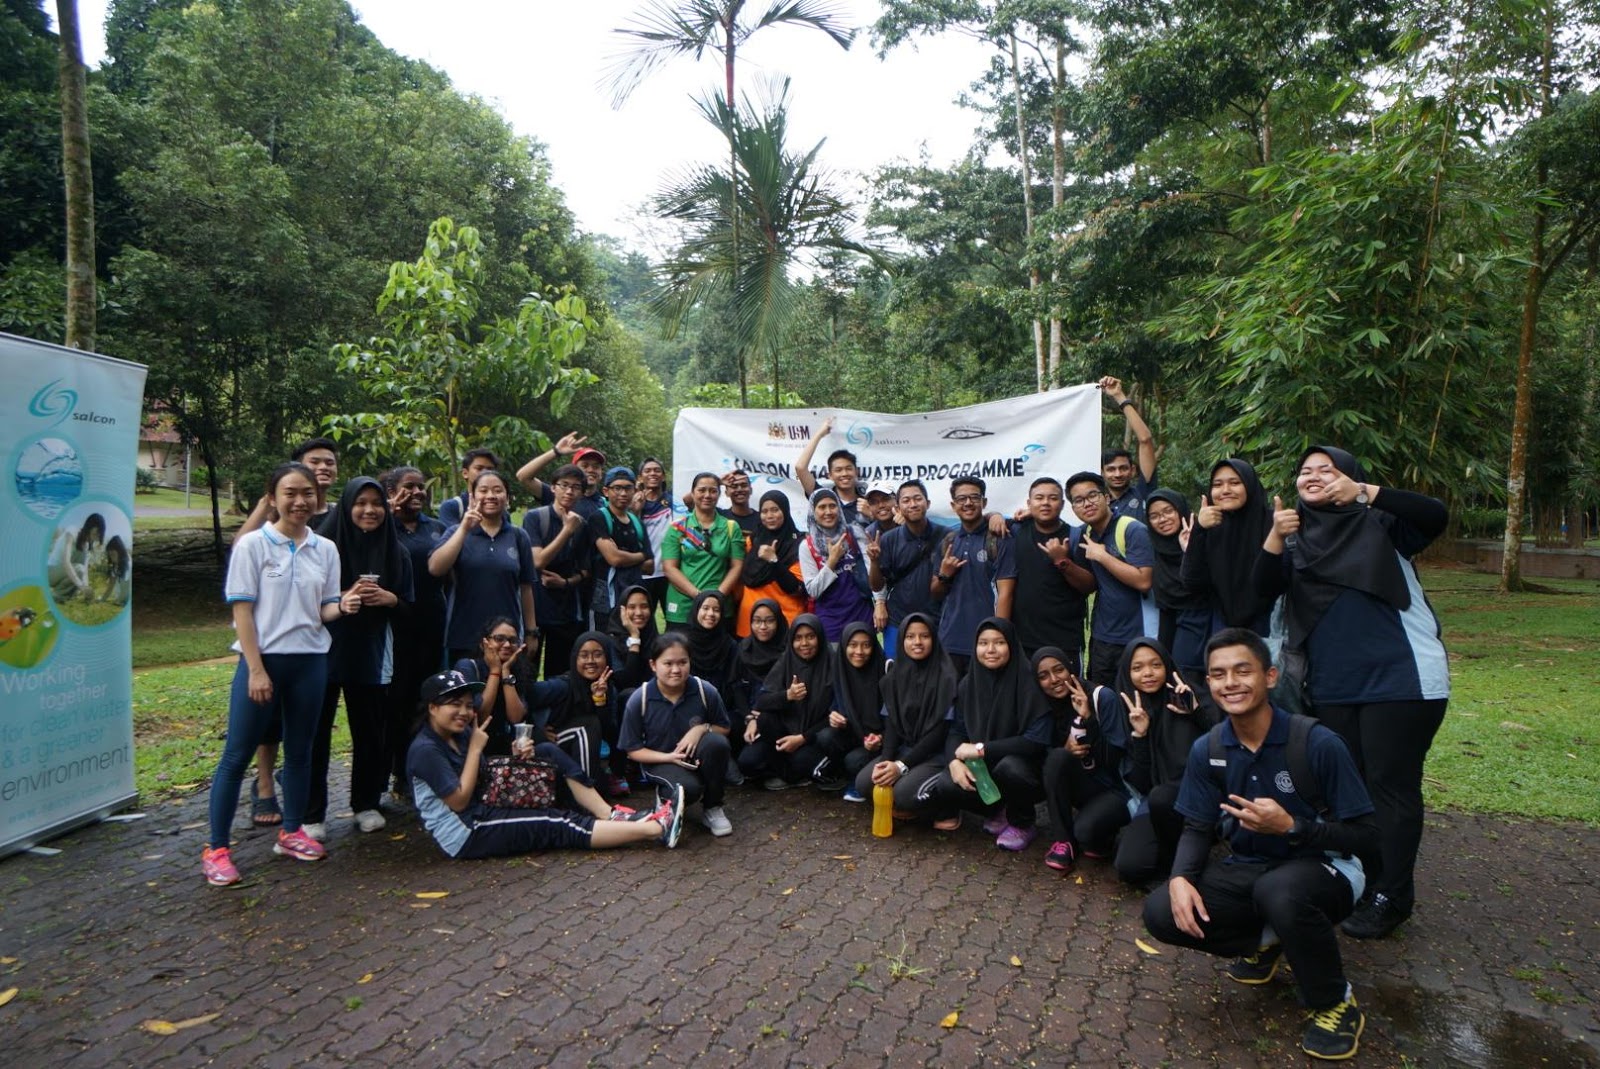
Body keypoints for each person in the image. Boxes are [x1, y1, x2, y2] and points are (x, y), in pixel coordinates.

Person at [1141, 629, 1378, 1061]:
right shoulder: (1208, 748)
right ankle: (1270, 940)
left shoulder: (1317, 743)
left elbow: (1366, 837)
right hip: (1252, 866)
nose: (1230, 682)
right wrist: (1179, 879)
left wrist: (1293, 826)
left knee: (1281, 892)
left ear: (1270, 676)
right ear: (1208, 684)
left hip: (1330, 868)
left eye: (1242, 670)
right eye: (1218, 674)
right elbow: (1196, 827)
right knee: (1161, 912)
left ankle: (1333, 1002)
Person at [1257, 445, 1450, 940]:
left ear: (1352, 478)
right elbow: (1254, 595)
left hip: (1402, 678)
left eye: (1329, 469)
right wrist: (1275, 537)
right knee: (1353, 790)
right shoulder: (1296, 537)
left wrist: (1368, 494)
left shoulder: (1384, 525)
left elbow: (1436, 514)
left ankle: (1394, 894)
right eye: (1305, 471)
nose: (1315, 476)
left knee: (1391, 785)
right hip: (1332, 685)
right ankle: (1365, 880)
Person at [202, 462, 360, 887]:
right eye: (290, 493)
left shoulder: (324, 548)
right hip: (263, 662)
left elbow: (323, 610)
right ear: (272, 498)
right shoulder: (253, 545)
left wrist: (342, 606)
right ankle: (216, 848)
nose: (300, 501)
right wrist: (255, 670)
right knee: (236, 756)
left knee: (302, 752)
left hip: (309, 662)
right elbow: (242, 613)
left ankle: (291, 832)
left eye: (307, 493)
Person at [408, 669, 681, 859]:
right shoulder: (425, 750)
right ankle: (656, 829)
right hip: (465, 832)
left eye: (469, 705)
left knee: (547, 751)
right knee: (556, 823)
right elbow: (457, 801)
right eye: (454, 705)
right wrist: (476, 749)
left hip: (483, 806)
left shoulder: (462, 732)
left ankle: (611, 815)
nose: (465, 712)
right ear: (433, 707)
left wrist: (516, 753)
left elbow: (482, 772)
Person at [234, 437, 338, 825]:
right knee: (261, 729)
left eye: (330, 463)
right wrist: (268, 504)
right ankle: (262, 788)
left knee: (303, 738)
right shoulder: (267, 526)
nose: (324, 467)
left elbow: (329, 594)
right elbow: (242, 553)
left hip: (313, 646)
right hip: (266, 647)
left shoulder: (334, 521)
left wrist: (345, 603)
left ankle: (296, 822)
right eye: (315, 462)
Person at [306, 477, 415, 838]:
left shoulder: (395, 551)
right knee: (316, 733)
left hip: (371, 652)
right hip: (323, 650)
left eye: (377, 503)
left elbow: (411, 607)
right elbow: (304, 600)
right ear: (347, 505)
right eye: (361, 503)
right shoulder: (323, 548)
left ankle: (365, 802)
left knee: (369, 731)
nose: (369, 510)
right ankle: (311, 813)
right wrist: (342, 599)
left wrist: (390, 600)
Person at [924, 618, 1051, 848]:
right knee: (947, 783)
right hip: (987, 768)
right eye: (983, 643)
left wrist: (982, 749)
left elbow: (1037, 740)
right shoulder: (968, 684)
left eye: (999, 642)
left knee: (1010, 768)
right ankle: (998, 809)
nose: (990, 650)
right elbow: (957, 730)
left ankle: (1023, 823)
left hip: (1028, 769)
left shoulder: (1028, 682)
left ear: (1011, 645)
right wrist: (953, 760)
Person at [1112, 638, 1214, 885]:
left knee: (1162, 797)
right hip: (1158, 800)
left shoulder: (1188, 696)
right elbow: (1142, 783)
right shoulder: (1129, 710)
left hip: (1199, 795)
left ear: (1167, 666)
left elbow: (1226, 743)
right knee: (1129, 867)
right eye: (1137, 668)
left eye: (1156, 665)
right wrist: (1141, 736)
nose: (1148, 673)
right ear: (1127, 672)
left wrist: (1196, 712)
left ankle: (1179, 866)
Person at [619, 633, 735, 838]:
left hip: (695, 758)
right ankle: (664, 798)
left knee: (717, 744)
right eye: (668, 663)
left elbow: (724, 728)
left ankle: (713, 807)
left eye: (682, 662)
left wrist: (700, 729)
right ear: (653, 665)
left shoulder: (704, 690)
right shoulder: (641, 698)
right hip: (660, 760)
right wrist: (668, 758)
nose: (676, 669)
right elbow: (633, 749)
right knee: (689, 789)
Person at [380, 465, 448, 802]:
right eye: (409, 487)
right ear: (390, 491)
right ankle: (395, 773)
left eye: (421, 487)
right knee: (396, 701)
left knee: (428, 699)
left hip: (433, 625)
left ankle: (425, 770)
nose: (418, 493)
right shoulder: (380, 525)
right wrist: (387, 513)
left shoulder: (436, 528)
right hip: (395, 626)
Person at [429, 469, 537, 663]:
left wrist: (531, 631)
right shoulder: (456, 531)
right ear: (472, 496)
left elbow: (526, 587)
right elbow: (436, 568)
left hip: (507, 639)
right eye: (484, 490)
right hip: (463, 635)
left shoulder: (518, 536)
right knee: (467, 691)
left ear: (507, 496)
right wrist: (464, 529)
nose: (491, 496)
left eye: (497, 490)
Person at [1037, 649, 1131, 872]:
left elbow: (1116, 756)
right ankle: (1063, 841)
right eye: (1044, 676)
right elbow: (1049, 762)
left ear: (1071, 669)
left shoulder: (1102, 697)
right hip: (1084, 782)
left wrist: (1089, 720)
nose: (1054, 680)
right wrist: (1066, 750)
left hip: (1114, 787)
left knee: (1087, 833)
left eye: (1059, 670)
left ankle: (1103, 832)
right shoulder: (1046, 705)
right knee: (1057, 757)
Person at [857, 613, 955, 815]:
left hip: (936, 756)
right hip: (905, 749)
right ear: (902, 640)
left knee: (903, 795)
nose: (917, 642)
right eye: (910, 637)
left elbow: (940, 732)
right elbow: (892, 723)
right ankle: (906, 800)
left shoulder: (947, 677)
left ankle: (947, 809)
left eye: (924, 636)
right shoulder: (894, 676)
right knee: (864, 783)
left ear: (934, 639)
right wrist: (887, 762)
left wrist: (901, 766)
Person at [1065, 471, 1156, 686]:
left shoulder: (1133, 529)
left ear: (1106, 498)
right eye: (1079, 500)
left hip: (1137, 634)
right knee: (1103, 699)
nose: (1087, 504)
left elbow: (1144, 580)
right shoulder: (1083, 533)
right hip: (1102, 636)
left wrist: (1103, 556)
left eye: (1092, 496)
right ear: (1073, 508)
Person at [741, 613, 838, 790]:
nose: (804, 644)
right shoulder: (787, 660)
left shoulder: (832, 663)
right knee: (749, 759)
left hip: (813, 736)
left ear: (820, 637)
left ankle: (789, 773)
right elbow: (761, 702)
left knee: (802, 760)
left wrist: (802, 738)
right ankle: (790, 772)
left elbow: (834, 714)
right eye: (798, 638)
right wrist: (788, 696)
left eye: (810, 637)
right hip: (785, 733)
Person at [931, 478, 1016, 675]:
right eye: (961, 499)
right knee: (951, 702)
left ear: (984, 502)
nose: (968, 503)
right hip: (950, 640)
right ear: (953, 505)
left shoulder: (999, 538)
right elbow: (935, 592)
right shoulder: (948, 541)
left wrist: (998, 637)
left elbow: (1006, 593)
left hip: (987, 642)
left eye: (974, 497)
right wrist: (945, 574)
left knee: (986, 703)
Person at [1182, 459, 1275, 637]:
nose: (1225, 490)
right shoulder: (1210, 527)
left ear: (1249, 485)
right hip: (1221, 624)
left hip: (1267, 624)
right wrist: (1199, 531)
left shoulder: (1271, 522)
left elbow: (1274, 581)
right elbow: (1192, 581)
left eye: (1235, 483)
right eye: (1217, 484)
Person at [1010, 478, 1095, 672]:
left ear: (1063, 504)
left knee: (1066, 697)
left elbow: (1089, 586)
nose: (1046, 503)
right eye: (1039, 498)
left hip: (1065, 640)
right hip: (1022, 640)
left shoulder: (1075, 537)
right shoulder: (1016, 531)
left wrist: (1062, 562)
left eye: (1053, 498)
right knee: (1026, 699)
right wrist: (994, 515)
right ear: (1029, 504)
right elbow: (988, 522)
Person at [525, 463, 592, 678]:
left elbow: (585, 570)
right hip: (534, 609)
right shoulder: (535, 518)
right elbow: (537, 561)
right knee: (526, 671)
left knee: (560, 674)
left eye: (576, 487)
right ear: (553, 487)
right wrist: (566, 531)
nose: (569, 491)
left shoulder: (582, 525)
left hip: (565, 611)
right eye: (564, 485)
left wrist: (565, 582)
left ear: (582, 493)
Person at [867, 480, 948, 654]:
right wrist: (874, 562)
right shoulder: (889, 539)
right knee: (896, 675)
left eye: (917, 498)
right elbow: (877, 585)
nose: (912, 504)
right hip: (899, 621)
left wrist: (993, 515)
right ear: (898, 507)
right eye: (906, 500)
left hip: (938, 621)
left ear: (928, 503)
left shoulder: (947, 536)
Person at [661, 472, 746, 629]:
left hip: (719, 609)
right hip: (683, 608)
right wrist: (699, 597)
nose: (707, 495)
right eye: (702, 490)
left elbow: (737, 566)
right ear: (693, 493)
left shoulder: (731, 527)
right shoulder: (677, 527)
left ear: (720, 494)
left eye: (713, 491)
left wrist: (717, 597)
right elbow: (669, 568)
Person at [1144, 489, 1211, 684]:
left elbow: (1205, 582)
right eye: (1154, 516)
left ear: (1180, 510)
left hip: (1203, 618)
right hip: (1170, 621)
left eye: (1168, 511)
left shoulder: (1203, 537)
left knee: (1191, 677)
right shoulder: (1155, 549)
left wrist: (1191, 551)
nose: (1162, 519)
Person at [452, 617, 539, 758]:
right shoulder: (467, 667)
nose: (506, 645)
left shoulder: (518, 671)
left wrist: (505, 672)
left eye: (513, 641)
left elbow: (516, 718)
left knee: (547, 749)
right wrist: (495, 671)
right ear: (484, 643)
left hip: (506, 747)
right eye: (499, 638)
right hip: (473, 748)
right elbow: (479, 717)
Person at [820, 622, 886, 802]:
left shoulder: (884, 674)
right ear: (843, 646)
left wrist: (881, 738)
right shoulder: (839, 670)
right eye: (853, 645)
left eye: (866, 645)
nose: (859, 651)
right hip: (851, 734)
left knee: (854, 760)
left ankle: (858, 781)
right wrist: (833, 715)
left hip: (878, 741)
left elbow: (894, 719)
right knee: (826, 737)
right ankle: (843, 775)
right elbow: (832, 703)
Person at [799, 487, 873, 642]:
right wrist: (831, 561)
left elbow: (872, 573)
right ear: (813, 511)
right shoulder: (807, 546)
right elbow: (813, 590)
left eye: (832, 506)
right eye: (821, 507)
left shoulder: (854, 533)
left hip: (861, 614)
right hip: (830, 622)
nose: (828, 512)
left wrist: (879, 603)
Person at [736, 490, 808, 636]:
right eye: (764, 511)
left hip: (784, 623)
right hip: (750, 623)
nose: (769, 516)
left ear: (785, 511)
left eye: (775, 510)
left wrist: (774, 561)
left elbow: (796, 589)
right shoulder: (752, 540)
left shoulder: (798, 544)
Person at [589, 466, 653, 621]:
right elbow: (614, 558)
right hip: (605, 596)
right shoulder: (599, 518)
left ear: (635, 490)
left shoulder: (637, 522)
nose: (623, 493)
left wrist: (623, 556)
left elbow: (650, 566)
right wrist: (640, 555)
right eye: (617, 488)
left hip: (633, 595)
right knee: (605, 640)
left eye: (628, 488)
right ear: (606, 491)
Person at [1099, 377, 1158, 522]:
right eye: (1111, 469)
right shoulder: (1097, 506)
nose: (1117, 474)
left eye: (1123, 468)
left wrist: (1119, 396)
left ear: (1132, 470)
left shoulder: (1143, 492)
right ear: (1102, 472)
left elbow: (1145, 440)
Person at [727, 598, 787, 741]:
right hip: (747, 712)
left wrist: (762, 713)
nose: (762, 627)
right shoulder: (744, 648)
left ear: (779, 621)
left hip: (776, 715)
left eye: (769, 621)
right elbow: (736, 686)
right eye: (757, 621)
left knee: (751, 759)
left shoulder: (788, 651)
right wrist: (749, 717)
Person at [794, 417, 866, 533]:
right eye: (838, 470)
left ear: (856, 472)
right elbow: (800, 468)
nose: (844, 474)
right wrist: (820, 434)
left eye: (848, 469)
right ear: (830, 475)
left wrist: (871, 516)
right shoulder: (822, 497)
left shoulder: (866, 503)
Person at [632, 457, 675, 613]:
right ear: (640, 477)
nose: (653, 474)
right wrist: (636, 509)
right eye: (647, 470)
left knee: (672, 619)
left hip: (669, 573)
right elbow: (629, 534)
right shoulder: (631, 502)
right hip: (644, 572)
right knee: (643, 621)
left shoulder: (672, 502)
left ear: (663, 476)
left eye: (657, 470)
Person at [603, 584, 659, 694]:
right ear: (622, 610)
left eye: (644, 606)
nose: (638, 613)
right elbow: (627, 682)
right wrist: (635, 638)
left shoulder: (655, 638)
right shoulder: (612, 641)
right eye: (632, 607)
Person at [685, 591, 738, 695]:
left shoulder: (729, 645)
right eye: (705, 608)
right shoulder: (683, 643)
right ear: (696, 610)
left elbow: (733, 681)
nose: (711, 614)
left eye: (716, 610)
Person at [437, 448, 504, 526]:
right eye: (479, 468)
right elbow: (450, 537)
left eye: (490, 469)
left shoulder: (499, 509)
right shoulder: (452, 507)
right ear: (465, 473)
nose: (485, 473)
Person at [718, 469, 760, 538]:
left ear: (751, 490)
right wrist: (718, 482)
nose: (739, 489)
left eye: (744, 485)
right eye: (734, 486)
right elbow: (696, 502)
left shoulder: (762, 519)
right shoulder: (720, 517)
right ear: (726, 493)